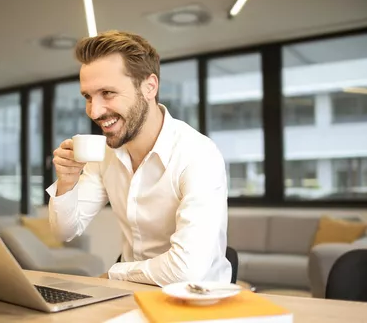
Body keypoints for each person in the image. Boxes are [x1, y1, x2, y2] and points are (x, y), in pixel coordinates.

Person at [46, 30, 231, 286]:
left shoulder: (198, 154)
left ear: (149, 87)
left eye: (107, 93)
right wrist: (66, 182)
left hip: (196, 300)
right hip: (132, 295)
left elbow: (186, 270)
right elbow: (64, 232)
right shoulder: (106, 155)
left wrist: (115, 272)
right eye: (88, 97)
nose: (94, 111)